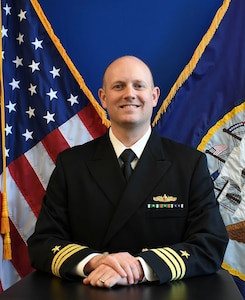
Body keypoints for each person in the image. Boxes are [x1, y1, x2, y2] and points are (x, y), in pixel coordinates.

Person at [27, 55, 228, 288]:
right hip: (91, 291)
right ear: (103, 97)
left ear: (154, 97)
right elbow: (43, 243)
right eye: (118, 86)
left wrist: (141, 268)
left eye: (139, 86)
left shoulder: (189, 164)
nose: (129, 94)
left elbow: (210, 243)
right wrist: (96, 261)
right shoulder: (71, 165)